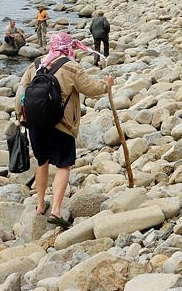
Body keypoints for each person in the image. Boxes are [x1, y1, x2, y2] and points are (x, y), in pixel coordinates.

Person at [15, 31, 112, 228]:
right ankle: (56, 210)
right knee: (63, 165)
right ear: (69, 47)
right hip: (63, 125)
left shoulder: (36, 65)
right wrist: (106, 85)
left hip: (36, 124)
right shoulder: (70, 67)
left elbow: (21, 92)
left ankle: (41, 204)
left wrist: (20, 117)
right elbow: (91, 88)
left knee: (42, 163)